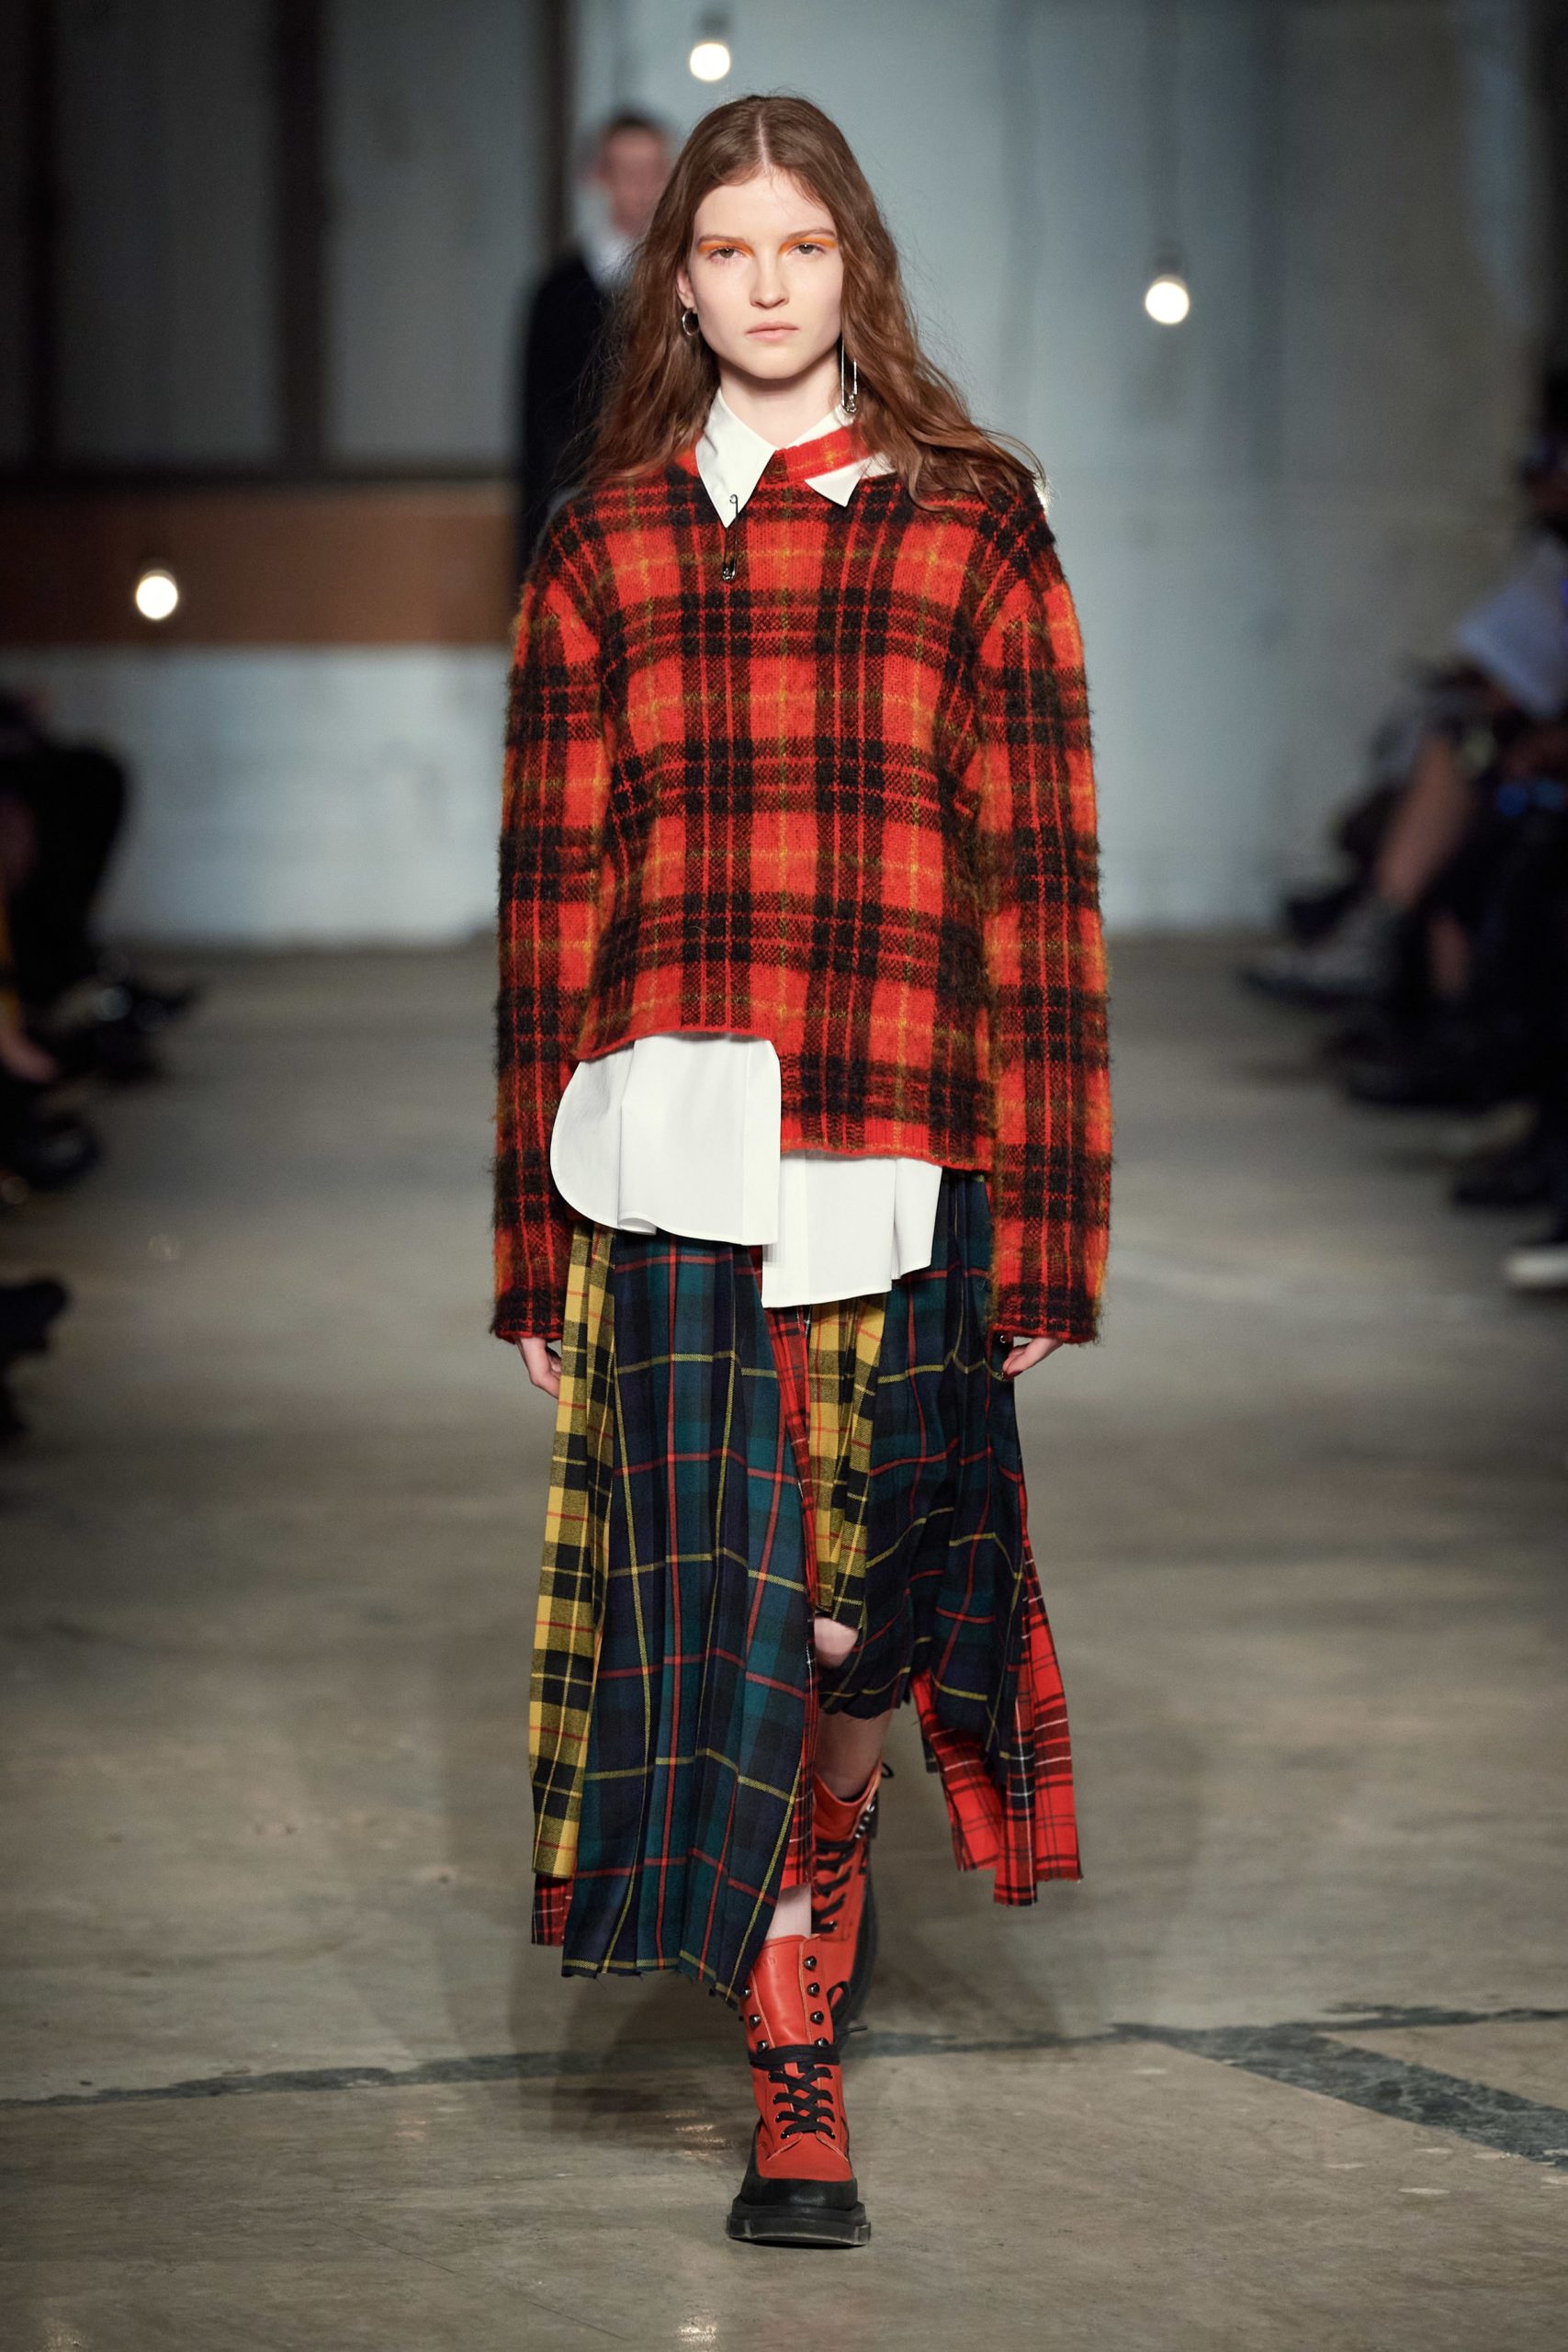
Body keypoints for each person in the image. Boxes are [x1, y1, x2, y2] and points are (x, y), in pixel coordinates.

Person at [491, 94, 1112, 2249]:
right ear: (675, 278)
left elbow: (1041, 887)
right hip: (667, 1159)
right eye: (725, 248)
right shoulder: (604, 542)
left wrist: (1050, 1224)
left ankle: (837, 1831)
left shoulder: (974, 523)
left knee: (861, 1631)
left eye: (801, 246)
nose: (764, 285)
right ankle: (791, 2080)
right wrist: (525, 1242)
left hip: (896, 1149)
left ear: (855, 265)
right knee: (734, 1622)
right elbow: (546, 904)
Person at [513, 110, 672, 582]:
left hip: (673, 496)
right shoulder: (558, 291)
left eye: (652, 171)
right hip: (583, 498)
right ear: (599, 177)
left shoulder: (688, 280)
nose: (641, 188)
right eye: (627, 172)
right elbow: (538, 421)